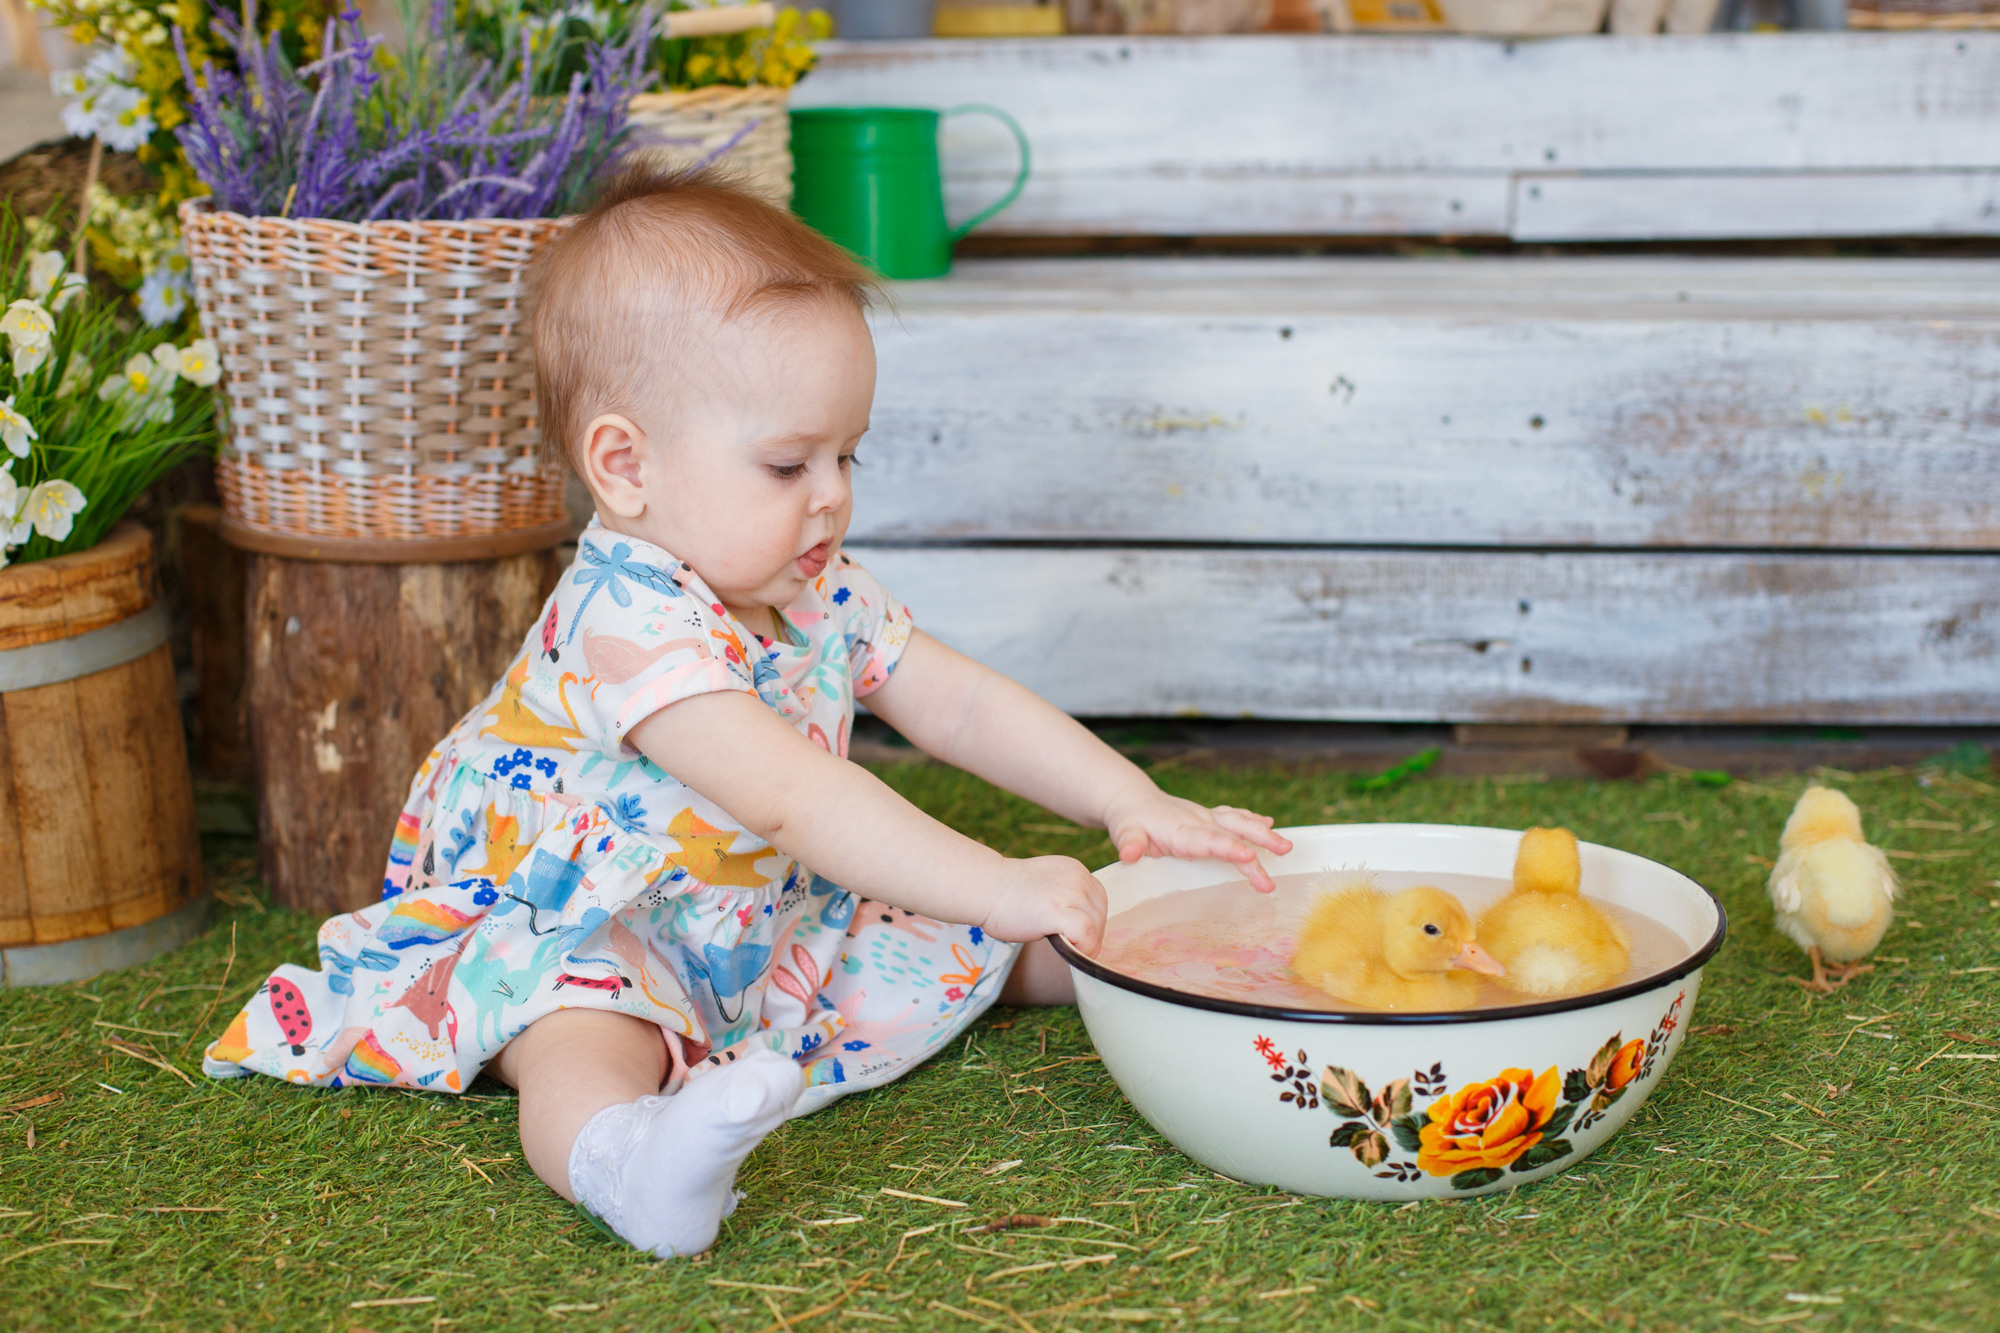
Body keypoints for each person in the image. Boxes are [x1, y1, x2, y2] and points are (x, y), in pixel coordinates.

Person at [203, 169, 1292, 1258]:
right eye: (786, 463)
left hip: (752, 912)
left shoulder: (804, 583)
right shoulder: (624, 617)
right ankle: (628, 1158)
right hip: (578, 919)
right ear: (626, 467)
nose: (830, 494)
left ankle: (1124, 948)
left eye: (844, 455)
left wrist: (1124, 796)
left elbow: (955, 700)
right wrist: (1001, 878)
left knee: (958, 928)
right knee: (583, 1027)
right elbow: (797, 796)